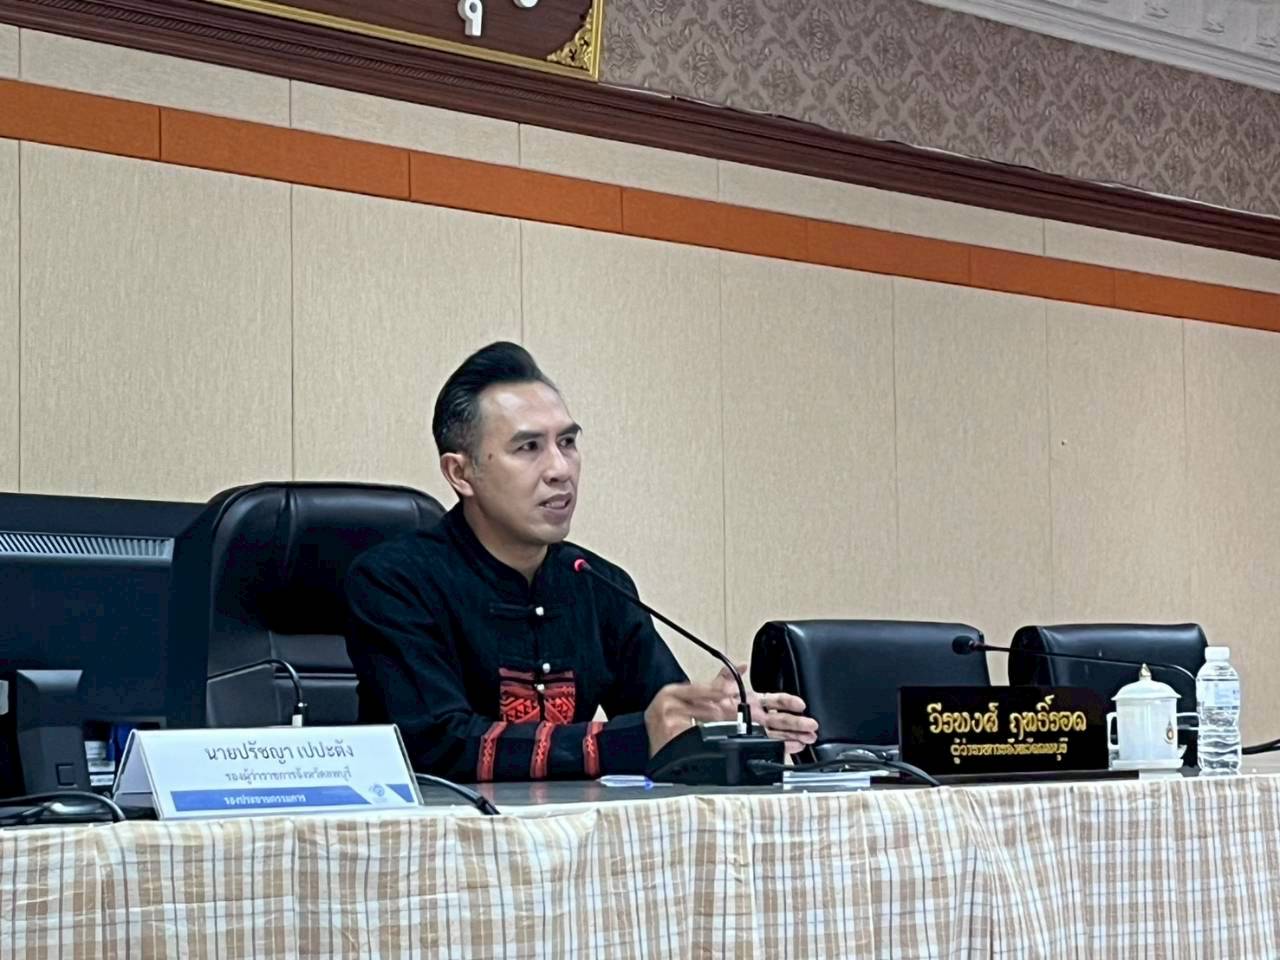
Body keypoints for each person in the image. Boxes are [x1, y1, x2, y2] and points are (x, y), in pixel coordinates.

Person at [344, 342, 818, 781]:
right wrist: (634, 739)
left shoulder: (597, 583)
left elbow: (664, 722)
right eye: (528, 447)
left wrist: (726, 727)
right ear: (460, 472)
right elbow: (436, 744)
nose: (560, 469)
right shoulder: (394, 581)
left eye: (567, 442)